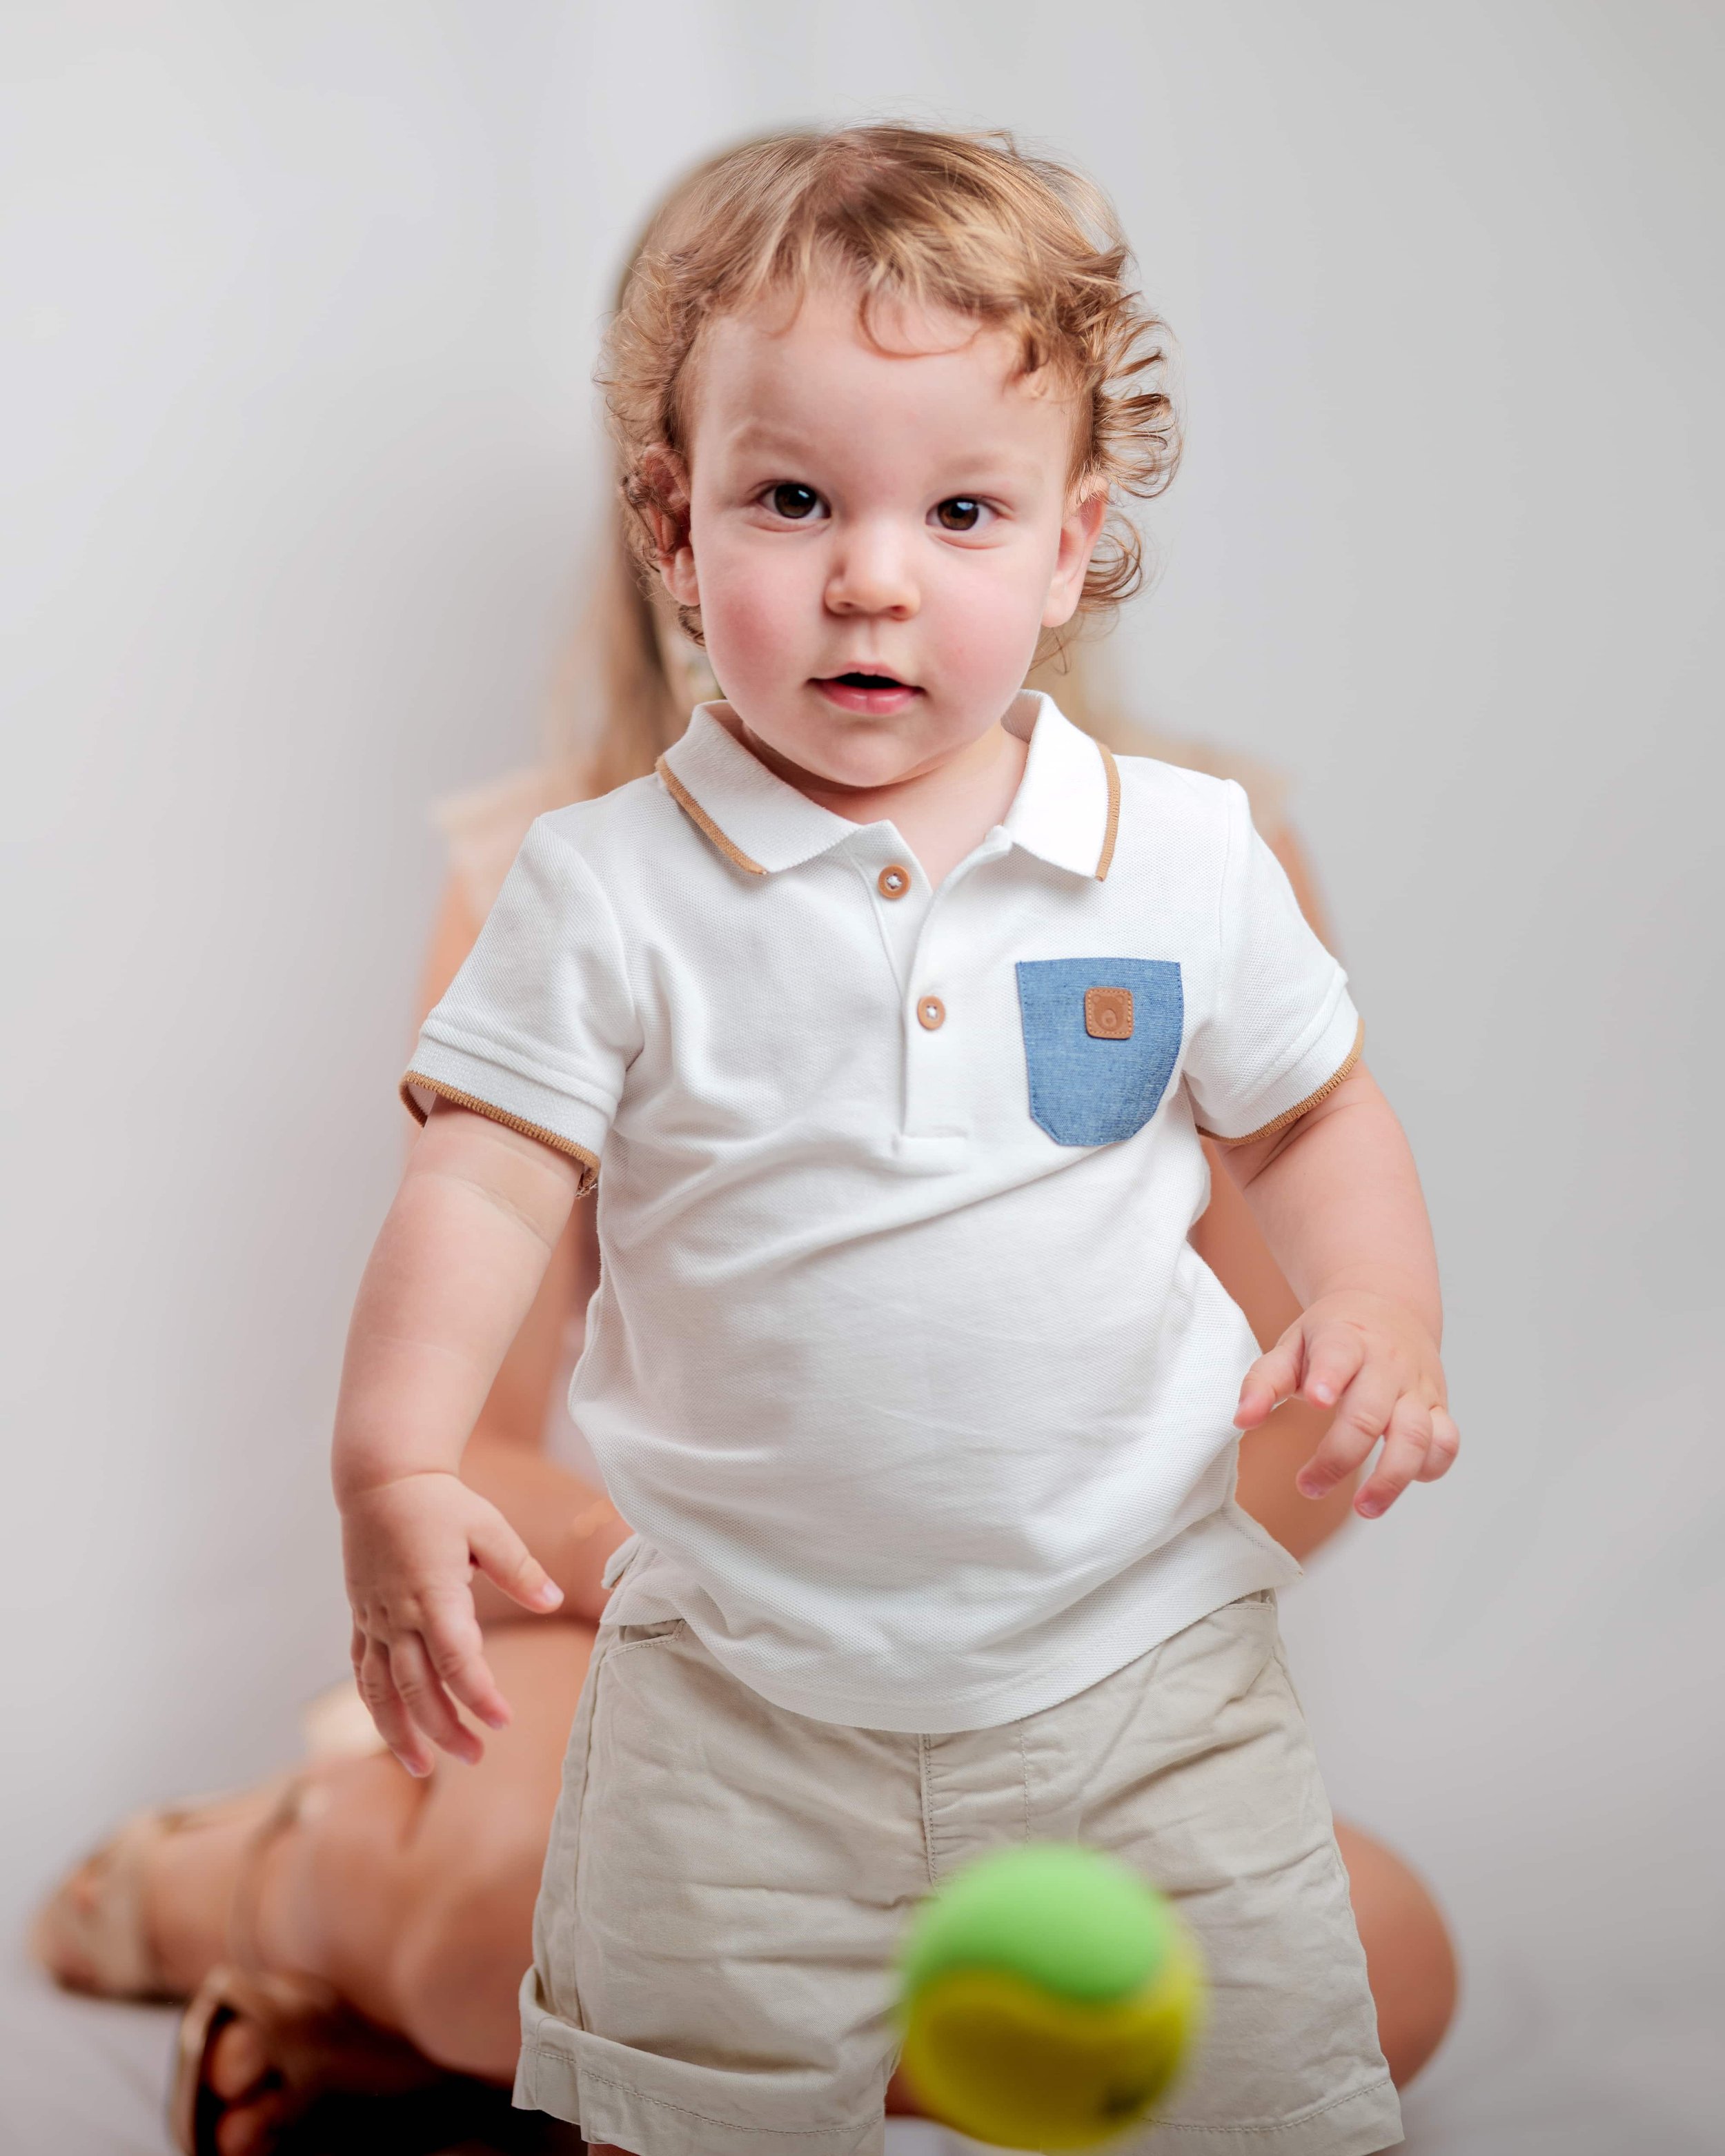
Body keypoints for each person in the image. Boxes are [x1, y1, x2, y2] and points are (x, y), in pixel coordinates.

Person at [30, 134, 1457, 2156]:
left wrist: (1335, 1360)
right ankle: (259, 1881)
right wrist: (675, 1549)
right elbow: (488, 1349)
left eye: (955, 502)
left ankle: (571, 2075)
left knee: (1370, 1968)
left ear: (1066, 537)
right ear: (674, 522)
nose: (873, 569)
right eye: (794, 494)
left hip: (1076, 1673)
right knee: (517, 1914)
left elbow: (1301, 1227)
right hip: (693, 1645)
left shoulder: (1190, 857)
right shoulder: (578, 884)